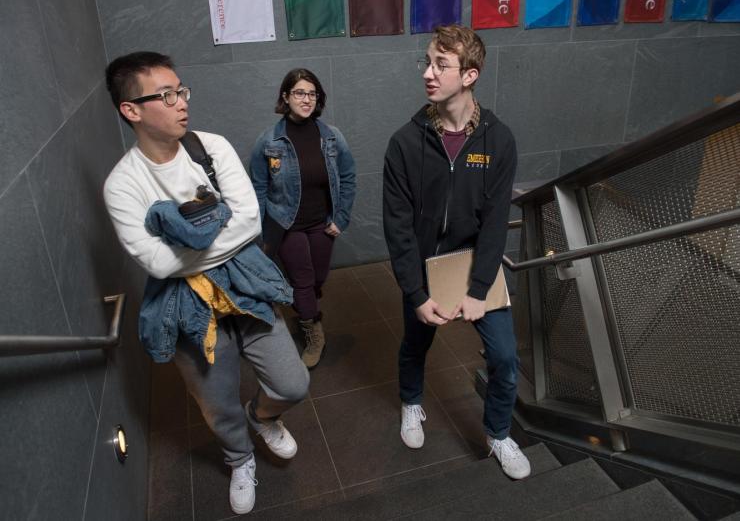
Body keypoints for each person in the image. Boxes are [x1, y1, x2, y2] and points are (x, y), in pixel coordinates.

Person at [103, 51, 309, 515]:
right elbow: (157, 263)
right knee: (216, 403)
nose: (181, 102)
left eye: (182, 90)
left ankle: (262, 416)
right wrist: (218, 227)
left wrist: (186, 240)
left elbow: (250, 222)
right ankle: (239, 458)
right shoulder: (123, 185)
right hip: (181, 305)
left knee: (292, 383)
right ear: (131, 110)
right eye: (166, 94)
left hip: (244, 284)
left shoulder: (209, 148)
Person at [382, 25, 531, 480]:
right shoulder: (405, 143)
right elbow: (398, 227)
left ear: (470, 75)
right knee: (416, 343)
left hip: (474, 264)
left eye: (440, 65)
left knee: (505, 358)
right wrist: (415, 292)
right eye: (427, 62)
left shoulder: (497, 140)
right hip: (425, 267)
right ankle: (411, 402)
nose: (428, 73)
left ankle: (499, 433)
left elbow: (493, 225)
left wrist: (479, 289)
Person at [250, 68, 356, 369]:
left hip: (322, 222)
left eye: (312, 93)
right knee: (303, 279)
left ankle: (305, 305)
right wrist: (260, 231)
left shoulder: (332, 138)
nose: (306, 99)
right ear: (286, 96)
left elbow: (348, 178)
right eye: (299, 92)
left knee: (318, 278)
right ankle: (313, 330)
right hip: (286, 224)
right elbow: (258, 187)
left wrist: (341, 218)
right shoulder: (268, 141)